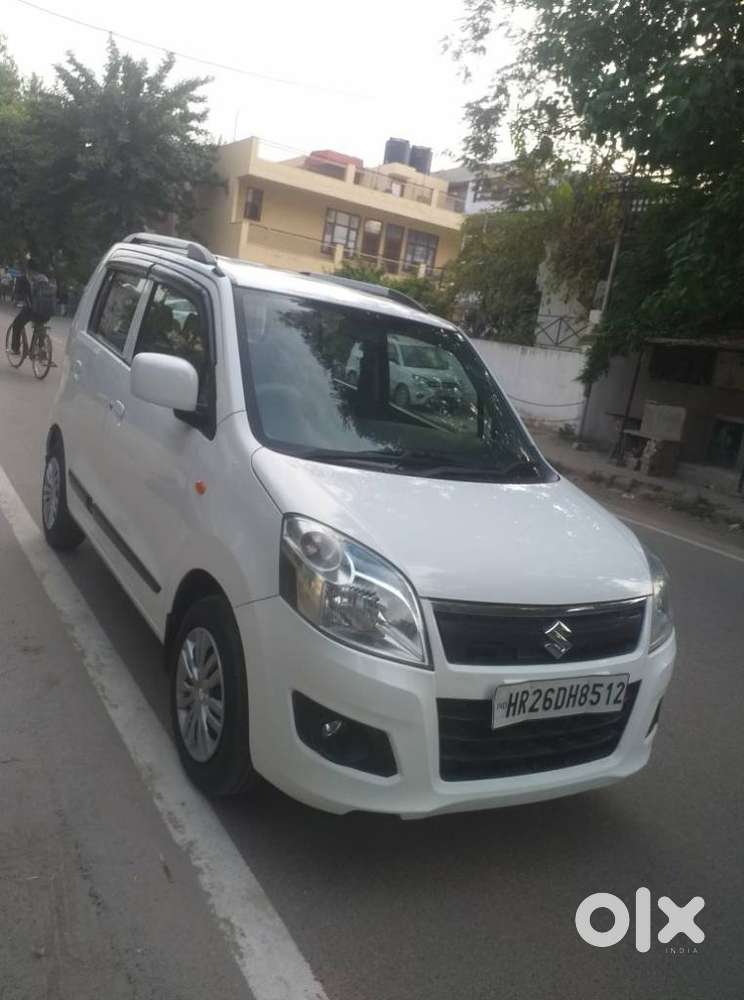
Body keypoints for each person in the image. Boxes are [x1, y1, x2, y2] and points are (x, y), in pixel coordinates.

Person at [9, 259, 55, 355]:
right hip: (47, 310)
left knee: (16, 325)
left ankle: (15, 349)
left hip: (32, 310)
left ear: (27, 267)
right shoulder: (45, 279)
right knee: (39, 326)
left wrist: (15, 303)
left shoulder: (24, 278)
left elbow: (18, 295)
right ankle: (39, 350)